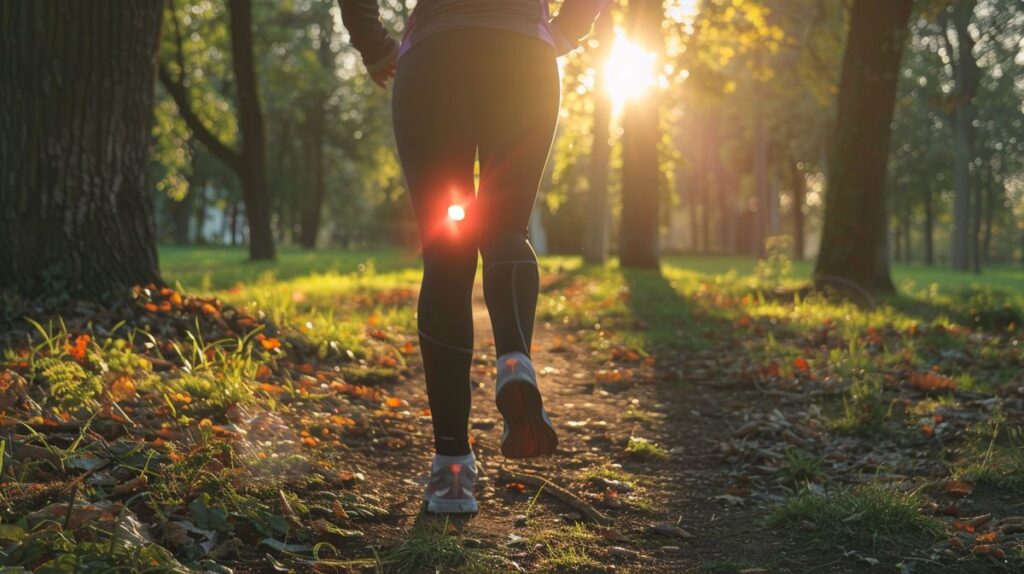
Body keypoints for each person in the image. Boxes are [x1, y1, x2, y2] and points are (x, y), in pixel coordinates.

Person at [338, 0, 607, 514]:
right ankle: (513, 360)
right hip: (523, 55)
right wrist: (566, 29)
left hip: (435, 57)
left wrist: (373, 46)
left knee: (446, 255)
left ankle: (452, 473)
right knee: (505, 227)